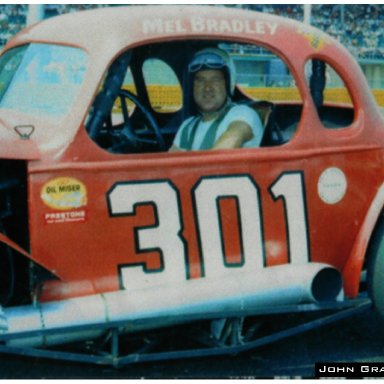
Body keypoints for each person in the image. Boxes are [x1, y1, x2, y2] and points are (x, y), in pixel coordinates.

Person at [169, 48, 263, 152]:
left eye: (216, 79)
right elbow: (169, 164)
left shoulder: (242, 114)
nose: (207, 88)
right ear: (192, 86)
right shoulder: (187, 126)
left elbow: (232, 140)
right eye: (200, 80)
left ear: (227, 84)